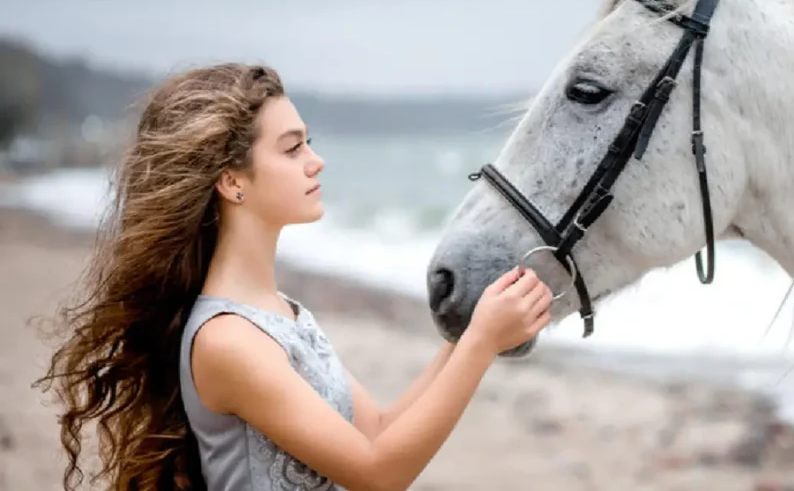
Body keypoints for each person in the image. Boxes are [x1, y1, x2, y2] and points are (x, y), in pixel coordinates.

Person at [34, 63, 553, 491]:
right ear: (232, 180)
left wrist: (466, 334)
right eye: (292, 148)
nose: (316, 162)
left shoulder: (278, 312)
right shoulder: (226, 340)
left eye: (309, 143)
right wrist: (482, 343)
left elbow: (376, 431)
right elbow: (378, 474)